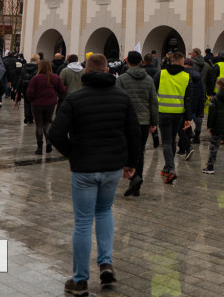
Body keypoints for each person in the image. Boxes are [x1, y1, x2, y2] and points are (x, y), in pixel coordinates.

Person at [48, 53, 141, 297]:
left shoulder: (75, 99)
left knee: (82, 221)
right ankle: (106, 263)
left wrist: (73, 154)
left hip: (84, 169)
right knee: (104, 211)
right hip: (112, 167)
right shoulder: (122, 98)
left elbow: (56, 133)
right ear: (109, 72)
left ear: (86, 72)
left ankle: (80, 280)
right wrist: (132, 163)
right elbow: (134, 134)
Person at [118, 50, 158, 196]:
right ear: (140, 62)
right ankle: (137, 180)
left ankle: (133, 177)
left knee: (127, 149)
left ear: (127, 62)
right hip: (144, 121)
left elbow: (118, 101)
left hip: (127, 121)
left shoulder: (121, 79)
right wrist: (154, 122)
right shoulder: (149, 80)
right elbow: (153, 102)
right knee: (139, 151)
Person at [154, 52, 192, 184]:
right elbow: (188, 99)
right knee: (172, 140)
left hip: (163, 112)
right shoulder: (186, 76)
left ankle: (170, 169)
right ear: (182, 62)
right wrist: (188, 117)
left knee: (166, 141)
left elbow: (153, 93)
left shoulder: (161, 74)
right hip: (178, 113)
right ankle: (167, 167)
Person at [27, 60, 67, 155]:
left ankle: (39, 147)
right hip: (50, 104)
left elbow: (29, 92)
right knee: (47, 123)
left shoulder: (35, 78)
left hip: (37, 104)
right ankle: (49, 142)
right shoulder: (55, 77)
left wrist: (32, 99)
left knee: (39, 125)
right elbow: (62, 90)